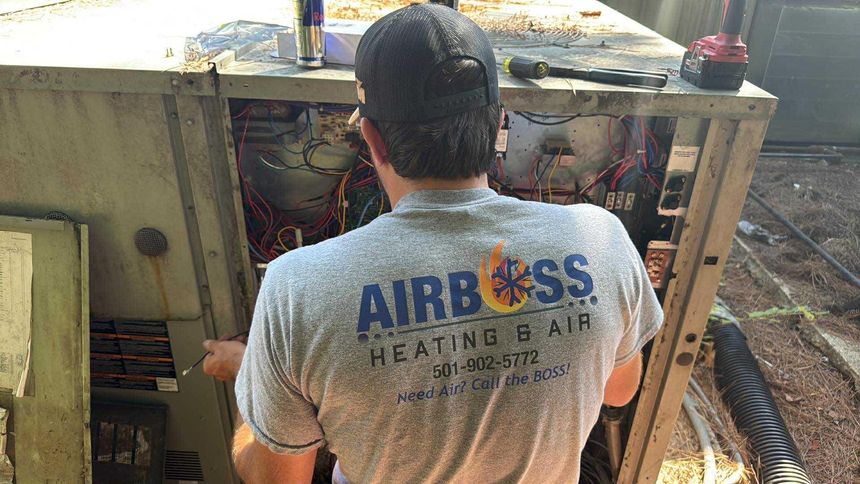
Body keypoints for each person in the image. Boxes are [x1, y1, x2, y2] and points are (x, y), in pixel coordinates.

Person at [203, 4, 663, 482]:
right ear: (497, 123)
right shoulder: (602, 239)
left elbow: (277, 478)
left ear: (372, 140)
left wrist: (250, 383)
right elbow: (619, 391)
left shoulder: (296, 287)